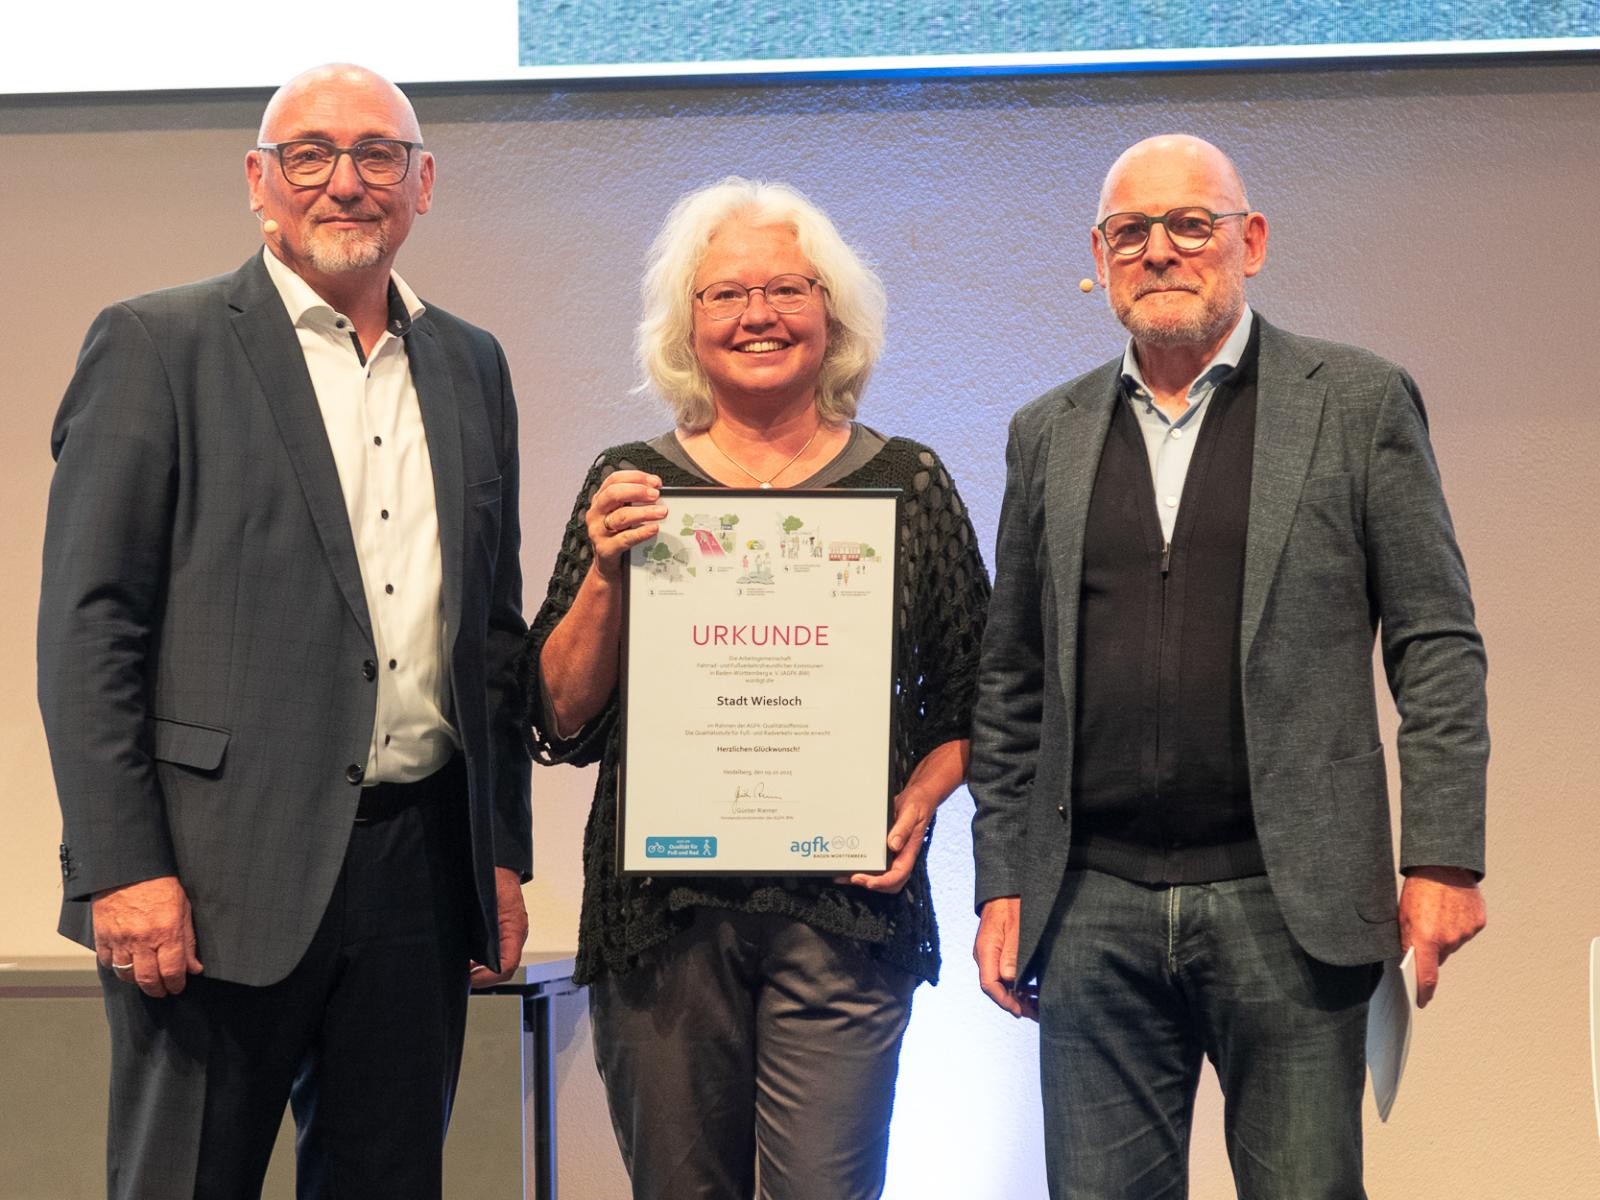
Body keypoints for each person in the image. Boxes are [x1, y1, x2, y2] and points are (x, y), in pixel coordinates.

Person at [36, 63, 531, 1199]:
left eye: (377, 156)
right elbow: (89, 631)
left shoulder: (472, 363)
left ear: (422, 184)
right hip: (210, 877)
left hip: (417, 871)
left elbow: (490, 634)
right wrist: (125, 867)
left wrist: (499, 852)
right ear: (260, 181)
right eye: (310, 155)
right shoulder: (155, 344)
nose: (344, 182)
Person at [969, 134, 1488, 1198]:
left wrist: (1444, 856)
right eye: (1130, 231)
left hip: (1289, 905)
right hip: (1091, 907)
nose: (1159, 250)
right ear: (1100, 257)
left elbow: (1434, 643)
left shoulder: (1356, 402)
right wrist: (1003, 879)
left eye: (1190, 225)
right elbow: (1011, 676)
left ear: (1249, 242)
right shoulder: (1046, 433)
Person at [528, 177, 990, 1199]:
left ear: (833, 313)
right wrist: (606, 573)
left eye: (787, 289)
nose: (759, 315)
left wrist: (919, 801)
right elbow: (559, 715)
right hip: (663, 914)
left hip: (845, 910)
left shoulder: (908, 484)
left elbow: (977, 697)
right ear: (686, 325)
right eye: (727, 294)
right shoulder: (631, 485)